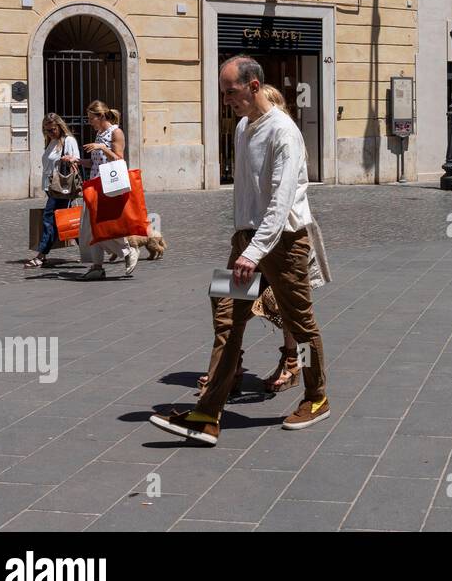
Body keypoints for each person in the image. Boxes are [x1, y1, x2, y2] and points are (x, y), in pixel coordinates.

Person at [151, 56, 329, 446]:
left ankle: (317, 396)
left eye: (230, 92)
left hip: (283, 243)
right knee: (227, 316)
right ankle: (207, 413)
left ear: (252, 86)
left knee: (301, 327)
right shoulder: (244, 128)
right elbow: (247, 193)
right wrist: (241, 243)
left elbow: (281, 202)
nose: (226, 100)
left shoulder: (284, 131)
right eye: (223, 93)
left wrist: (255, 251)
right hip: (247, 241)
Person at [76, 100, 139, 280]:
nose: (89, 122)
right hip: (94, 183)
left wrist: (103, 147)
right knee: (90, 227)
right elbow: (96, 163)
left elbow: (119, 160)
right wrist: (78, 161)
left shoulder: (116, 132)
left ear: (101, 116)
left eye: (91, 118)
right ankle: (97, 267)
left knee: (104, 226)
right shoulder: (99, 133)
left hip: (108, 186)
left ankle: (128, 250)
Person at [26, 113, 82, 268]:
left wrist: (69, 160)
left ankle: (41, 255)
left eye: (52, 129)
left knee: (49, 219)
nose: (50, 133)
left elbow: (76, 160)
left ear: (59, 126)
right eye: (47, 130)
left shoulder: (68, 141)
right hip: (51, 187)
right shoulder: (52, 142)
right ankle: (91, 250)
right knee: (66, 222)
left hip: (62, 188)